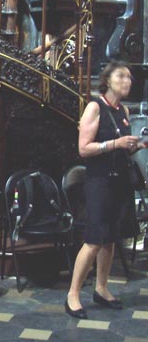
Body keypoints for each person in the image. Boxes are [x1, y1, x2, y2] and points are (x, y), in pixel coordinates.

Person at [65, 61, 147, 319]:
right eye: (122, 76)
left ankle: (101, 288)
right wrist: (115, 143)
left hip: (118, 180)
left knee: (111, 238)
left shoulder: (122, 110)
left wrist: (134, 146)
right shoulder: (94, 107)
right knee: (93, 240)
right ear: (108, 80)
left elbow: (120, 147)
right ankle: (73, 295)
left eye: (130, 77)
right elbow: (83, 148)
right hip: (99, 181)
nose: (128, 81)